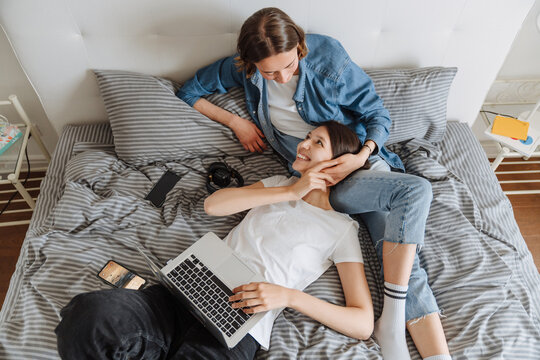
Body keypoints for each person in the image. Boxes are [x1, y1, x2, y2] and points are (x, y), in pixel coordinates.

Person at [176, 7, 451, 360]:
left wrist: (362, 155)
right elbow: (190, 91)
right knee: (396, 235)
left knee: (401, 243)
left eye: (289, 66)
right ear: (249, 63)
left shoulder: (328, 58)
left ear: (301, 47)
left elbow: (377, 115)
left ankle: (418, 340)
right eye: (268, 71)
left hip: (358, 166)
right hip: (312, 178)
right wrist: (235, 122)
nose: (280, 77)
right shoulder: (242, 68)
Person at [55, 122, 374, 359]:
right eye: (307, 136)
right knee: (87, 315)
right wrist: (291, 191)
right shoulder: (279, 183)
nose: (303, 144)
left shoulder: (341, 229)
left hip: (240, 323)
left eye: (317, 142)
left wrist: (289, 297)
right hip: (187, 291)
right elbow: (214, 205)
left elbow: (362, 323)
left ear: (338, 165)